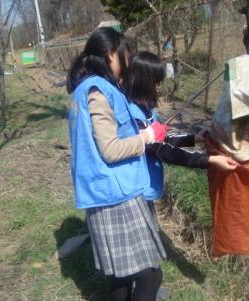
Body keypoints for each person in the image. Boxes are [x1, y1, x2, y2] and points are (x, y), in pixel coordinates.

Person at [67, 28, 169, 301]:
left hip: (101, 192)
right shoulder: (99, 90)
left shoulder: (85, 89)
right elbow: (110, 149)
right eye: (124, 53)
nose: (127, 60)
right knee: (150, 276)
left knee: (120, 277)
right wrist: (147, 136)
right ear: (111, 54)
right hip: (116, 195)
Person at [125, 51, 238, 204]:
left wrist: (192, 139)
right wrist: (209, 160)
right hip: (138, 193)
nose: (159, 87)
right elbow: (164, 151)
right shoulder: (132, 116)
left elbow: (163, 139)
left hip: (149, 187)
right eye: (155, 82)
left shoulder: (147, 110)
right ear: (142, 82)